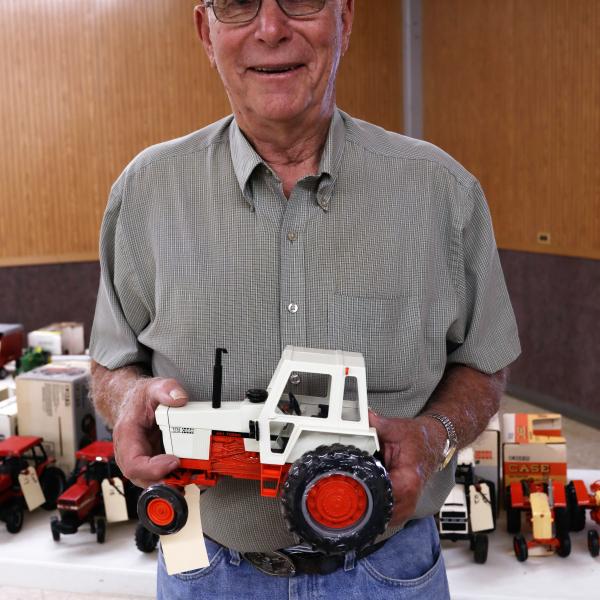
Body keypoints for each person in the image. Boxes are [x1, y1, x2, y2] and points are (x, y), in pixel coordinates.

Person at [89, 1, 520, 598]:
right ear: (205, 32)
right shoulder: (146, 193)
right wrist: (131, 396)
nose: (270, 28)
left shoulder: (442, 192)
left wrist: (434, 434)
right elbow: (111, 360)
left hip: (386, 572)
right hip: (207, 571)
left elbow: (485, 358)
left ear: (344, 20)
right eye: (239, 4)